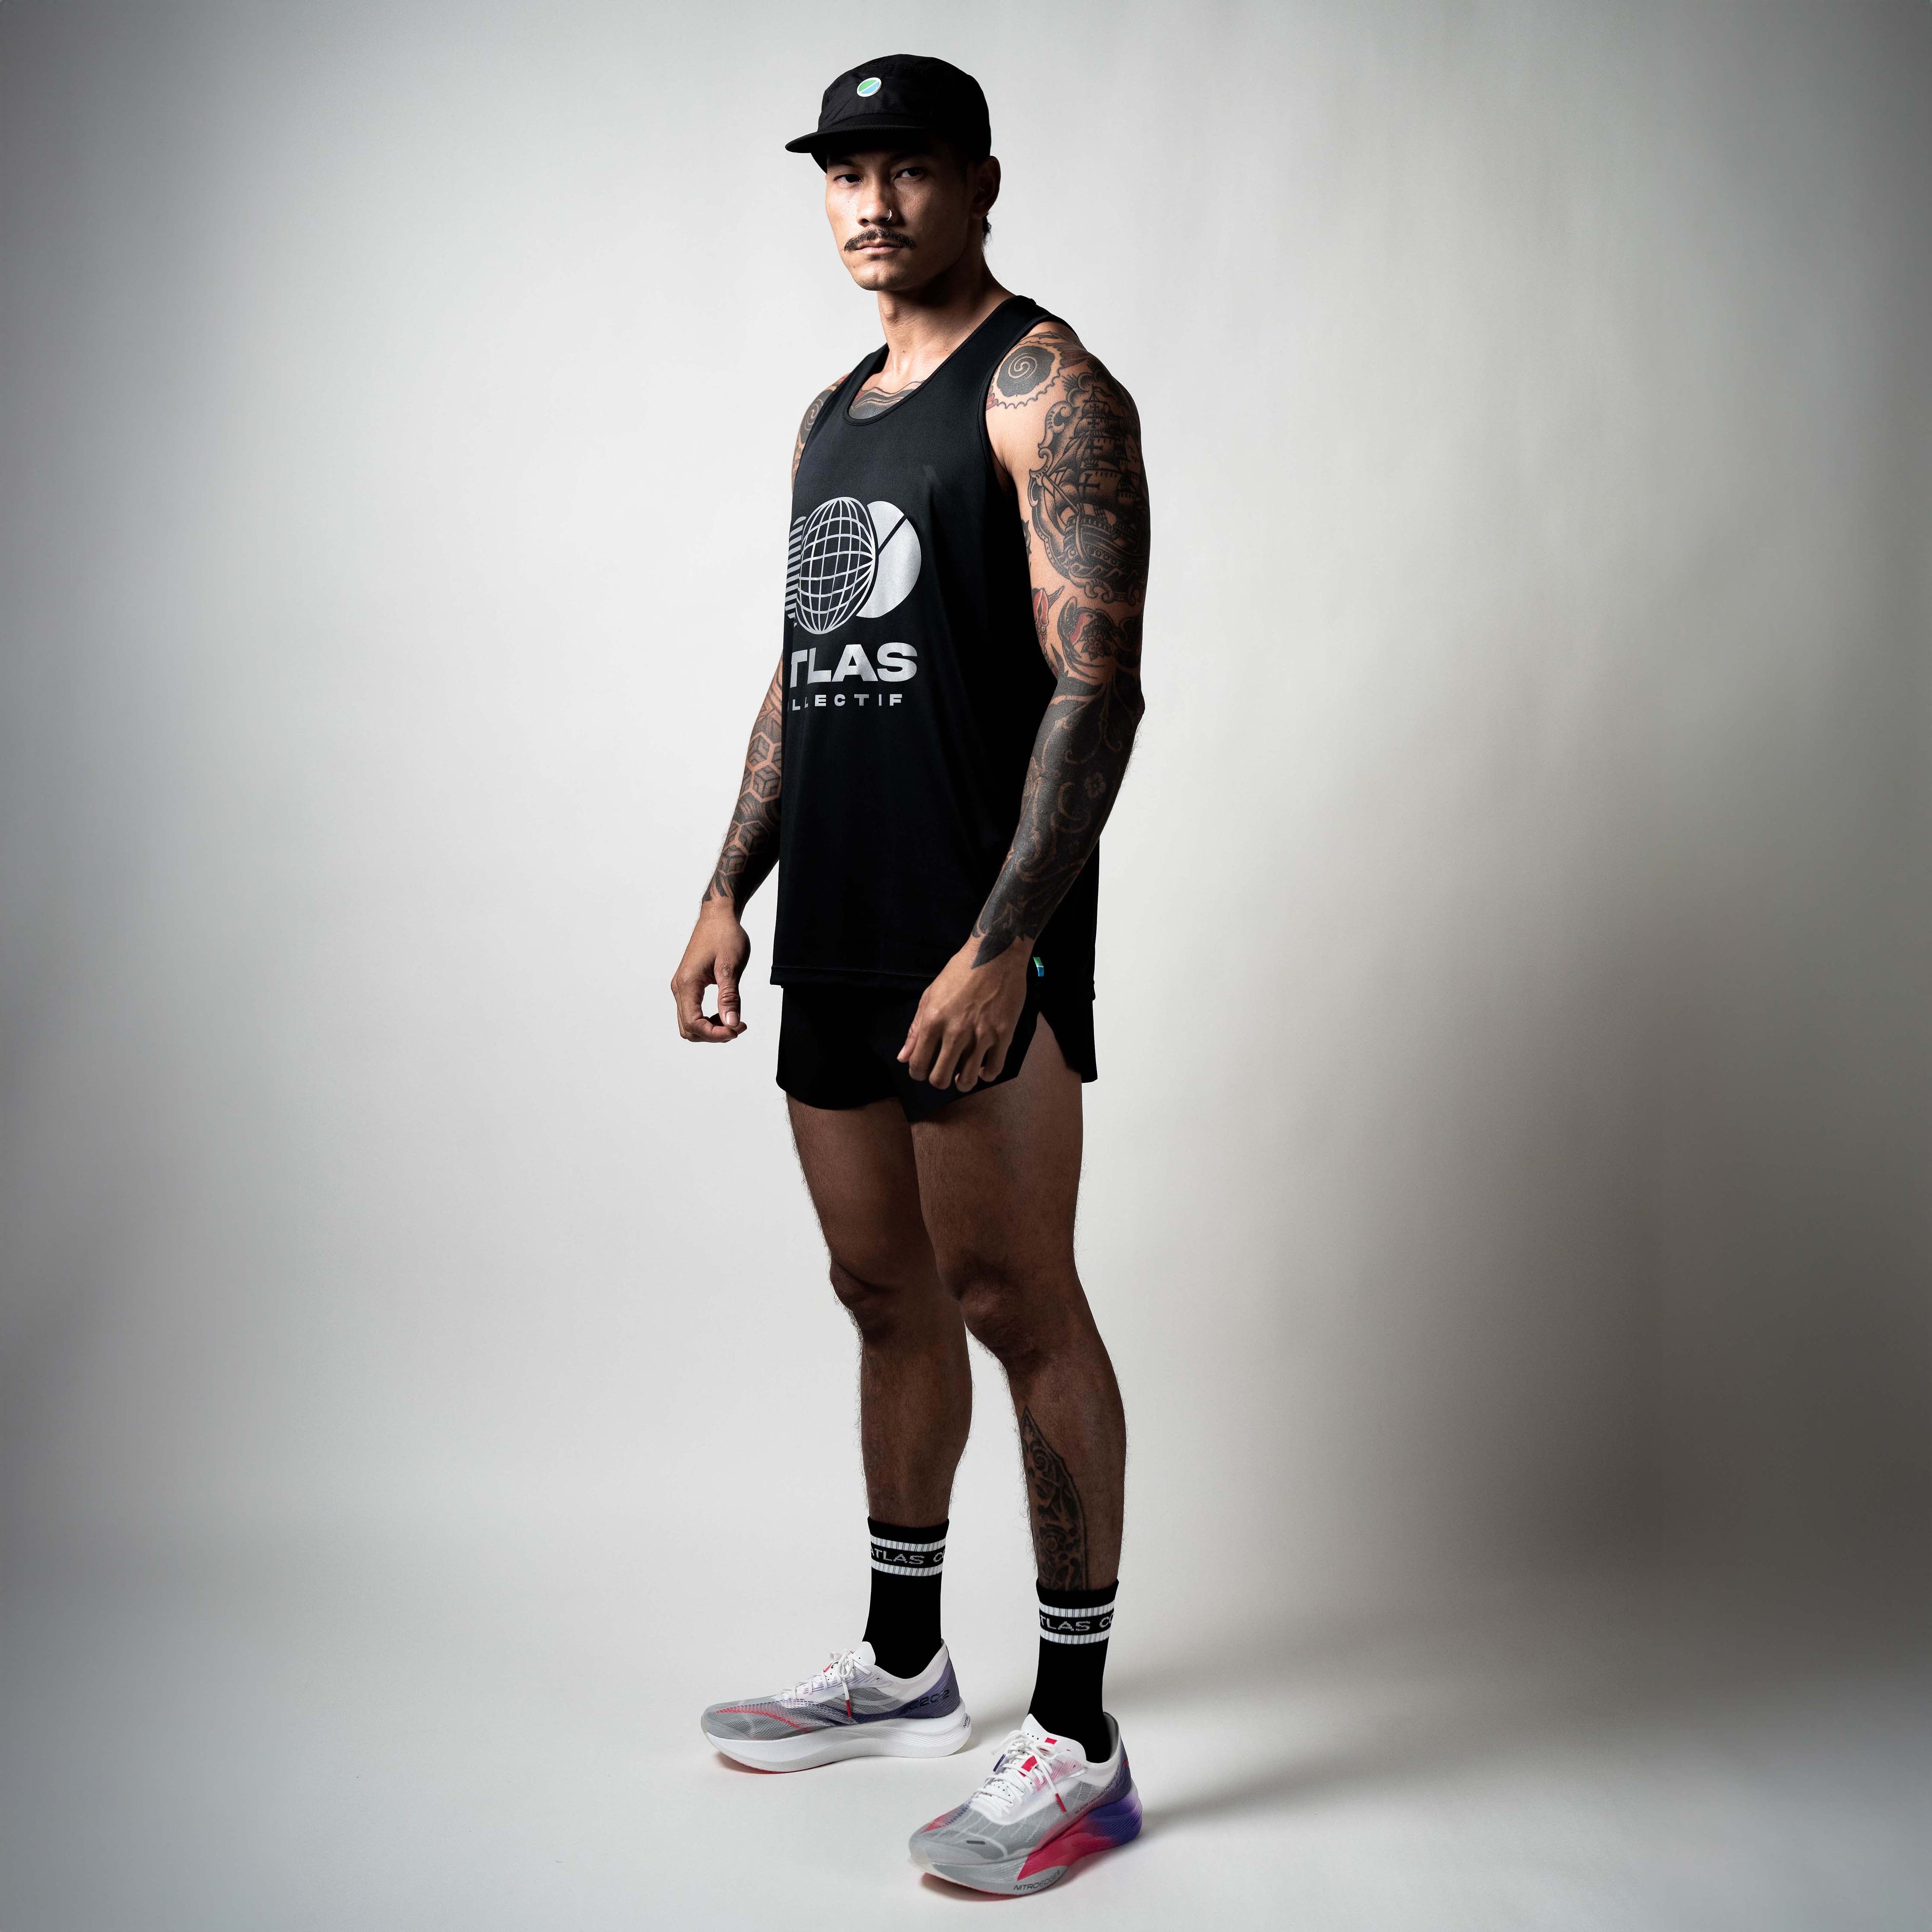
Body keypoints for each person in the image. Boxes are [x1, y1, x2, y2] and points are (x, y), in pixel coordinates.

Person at [670, 53, 1149, 1896]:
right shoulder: (831, 416)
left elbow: (1097, 685)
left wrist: (1003, 942)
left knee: (1014, 1297)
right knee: (880, 1290)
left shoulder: (1050, 391)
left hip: (976, 938)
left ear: (981, 184)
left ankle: (1080, 1739)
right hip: (841, 927)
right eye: (844, 172)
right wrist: (729, 883)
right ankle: (902, 1664)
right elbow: (807, 658)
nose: (872, 203)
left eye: (911, 168)